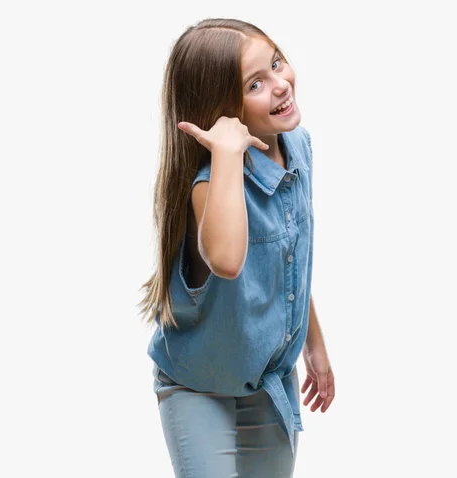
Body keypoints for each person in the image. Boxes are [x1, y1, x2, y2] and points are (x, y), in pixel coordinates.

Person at [137, 17, 334, 477]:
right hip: (199, 387)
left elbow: (290, 261)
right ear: (223, 111)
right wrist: (227, 154)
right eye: (256, 84)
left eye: (277, 63)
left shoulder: (298, 147)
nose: (281, 85)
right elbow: (227, 260)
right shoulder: (210, 184)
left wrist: (315, 346)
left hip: (268, 383)